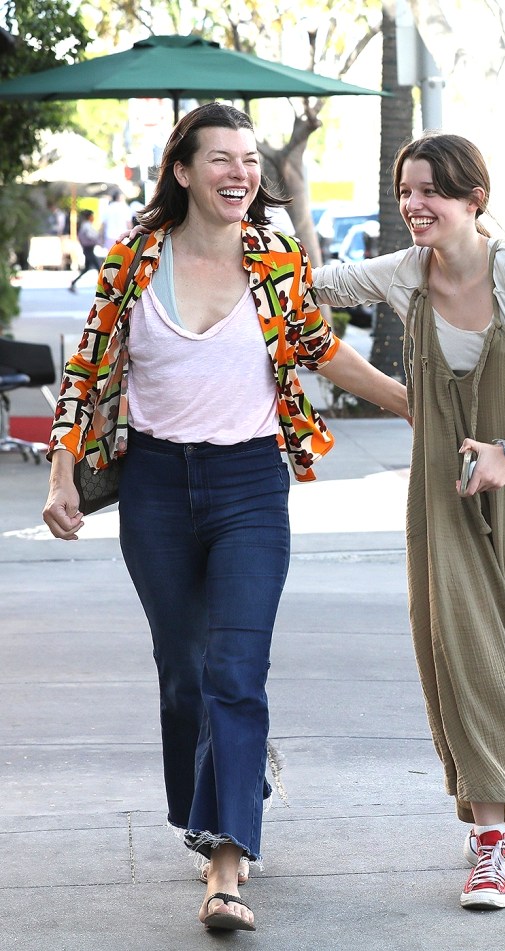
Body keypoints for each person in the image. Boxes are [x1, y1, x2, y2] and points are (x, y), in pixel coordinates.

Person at [42, 102, 408, 934]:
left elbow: (318, 345)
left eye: (251, 159)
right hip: (157, 487)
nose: (242, 172)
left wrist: (404, 401)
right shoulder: (136, 260)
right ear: (182, 172)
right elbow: (88, 371)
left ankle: (226, 862)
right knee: (185, 674)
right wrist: (62, 472)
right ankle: (221, 795)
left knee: (234, 671)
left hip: (250, 481)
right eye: (222, 159)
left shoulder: (274, 256)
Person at [312, 132, 505, 911]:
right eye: (407, 191)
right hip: (448, 492)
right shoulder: (406, 274)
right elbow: (312, 285)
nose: (416, 205)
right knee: (468, 654)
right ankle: (491, 843)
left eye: (433, 192)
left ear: (473, 199)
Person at [69, 210, 101, 292]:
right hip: (88, 249)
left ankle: (73, 282)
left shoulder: (85, 225)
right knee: (99, 267)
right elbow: (91, 235)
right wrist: (97, 238)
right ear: (90, 217)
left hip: (88, 249)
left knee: (87, 269)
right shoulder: (86, 225)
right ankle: (100, 286)